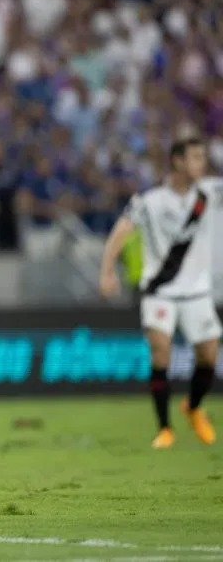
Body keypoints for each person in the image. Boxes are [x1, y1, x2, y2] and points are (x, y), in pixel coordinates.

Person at [99, 137, 218, 448]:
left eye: (202, 157)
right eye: (195, 157)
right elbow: (122, 230)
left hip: (198, 292)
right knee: (161, 351)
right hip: (159, 291)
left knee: (208, 355)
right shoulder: (150, 201)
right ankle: (165, 428)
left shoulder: (210, 193)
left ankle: (192, 408)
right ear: (177, 160)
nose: (201, 164)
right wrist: (107, 269)